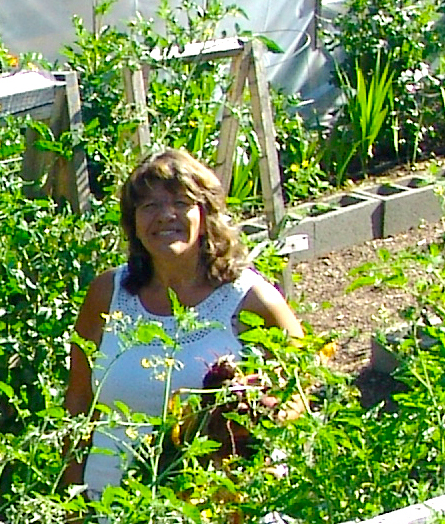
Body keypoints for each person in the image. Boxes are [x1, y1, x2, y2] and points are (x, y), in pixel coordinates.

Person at [64, 148, 304, 500]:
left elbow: (301, 386)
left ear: (205, 216)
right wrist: (70, 503)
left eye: (181, 202)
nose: (165, 216)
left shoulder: (248, 299)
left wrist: (257, 425)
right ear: (133, 223)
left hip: (217, 508)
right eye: (149, 206)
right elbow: (79, 401)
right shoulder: (107, 294)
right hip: (112, 504)